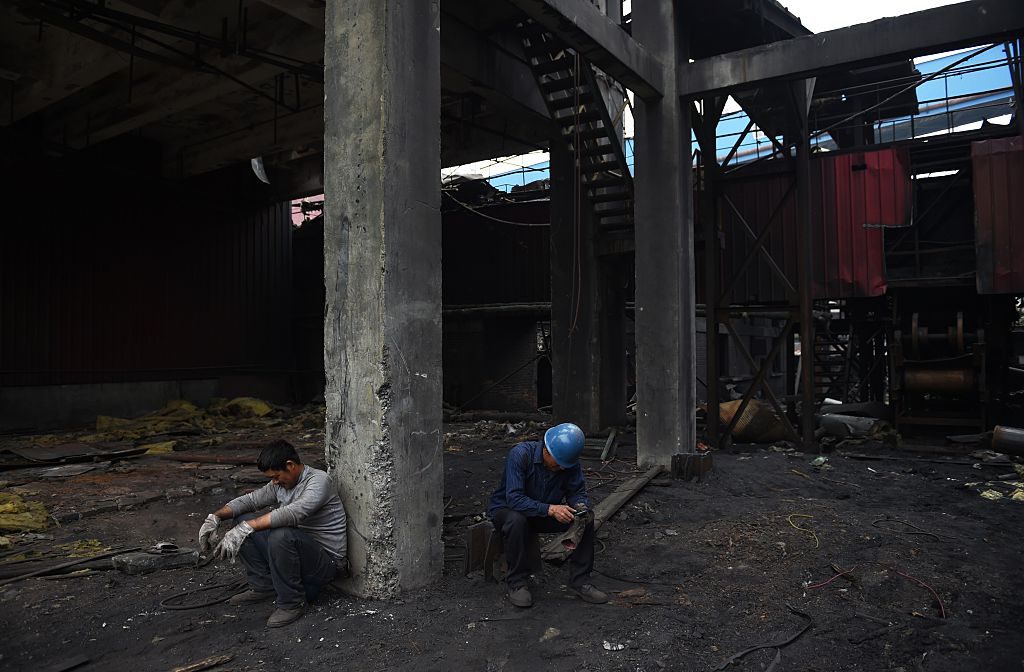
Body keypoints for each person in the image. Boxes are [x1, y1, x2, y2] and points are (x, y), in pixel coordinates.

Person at [197, 439, 347, 628]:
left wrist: (247, 528)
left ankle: (292, 603)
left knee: (280, 534)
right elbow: (250, 501)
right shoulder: (279, 485)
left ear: (290, 466)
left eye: (276, 476)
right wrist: (215, 518)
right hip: (296, 555)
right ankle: (264, 586)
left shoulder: (319, 480)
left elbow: (294, 513)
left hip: (326, 563)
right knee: (242, 520)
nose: (274, 482)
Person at [487, 422, 608, 608]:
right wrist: (550, 509)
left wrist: (579, 506)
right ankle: (517, 582)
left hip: (542, 513)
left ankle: (580, 581)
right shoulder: (520, 455)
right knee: (517, 520)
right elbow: (514, 499)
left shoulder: (568, 463)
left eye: (565, 466)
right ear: (546, 451)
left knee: (587, 518)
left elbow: (577, 491)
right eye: (558, 465)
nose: (561, 469)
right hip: (508, 510)